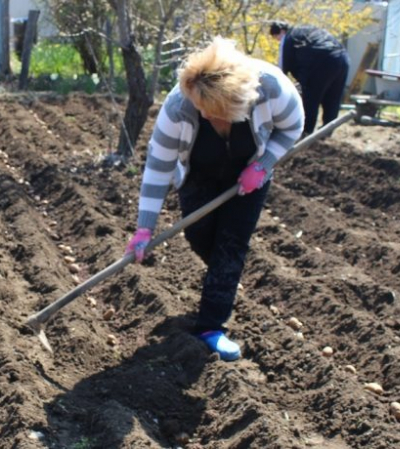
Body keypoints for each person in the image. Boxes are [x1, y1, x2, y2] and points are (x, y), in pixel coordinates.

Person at [125, 37, 304, 361]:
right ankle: (223, 276)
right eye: (201, 109)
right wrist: (144, 229)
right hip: (199, 174)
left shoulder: (273, 88)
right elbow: (158, 167)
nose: (205, 117)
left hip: (248, 174)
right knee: (199, 233)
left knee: (230, 245)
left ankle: (211, 325)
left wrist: (262, 166)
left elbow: (293, 127)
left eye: (213, 112)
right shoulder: (179, 108)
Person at [270, 21, 349, 136]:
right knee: (333, 98)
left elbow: (282, 70)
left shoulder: (288, 38)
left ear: (281, 32)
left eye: (277, 38)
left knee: (311, 99)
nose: (278, 41)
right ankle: (327, 131)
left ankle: (306, 132)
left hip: (320, 62)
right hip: (342, 57)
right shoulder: (309, 30)